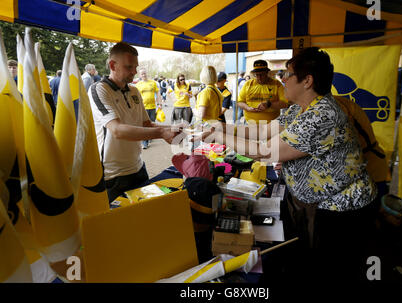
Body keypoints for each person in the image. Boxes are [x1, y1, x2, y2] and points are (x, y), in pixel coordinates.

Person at [196, 47, 378, 281]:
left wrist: (219, 137)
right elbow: (263, 130)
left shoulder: (322, 115)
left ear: (307, 81)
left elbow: (265, 151)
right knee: (310, 262)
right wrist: (221, 127)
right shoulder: (301, 109)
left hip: (343, 209)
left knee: (332, 269)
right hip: (320, 203)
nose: (282, 79)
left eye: (288, 74)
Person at [88, 42, 181, 203]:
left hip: (138, 168)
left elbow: (146, 124)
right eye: (129, 67)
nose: (134, 72)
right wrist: (161, 132)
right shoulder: (99, 89)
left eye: (136, 67)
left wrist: (172, 128)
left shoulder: (134, 90)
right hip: (113, 176)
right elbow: (116, 130)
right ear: (112, 65)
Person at [237, 60, 288, 124]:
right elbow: (239, 102)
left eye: (262, 75)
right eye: (257, 75)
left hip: (271, 125)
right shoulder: (248, 84)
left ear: (267, 73)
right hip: (250, 123)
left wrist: (269, 104)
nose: (259, 78)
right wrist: (247, 108)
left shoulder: (277, 84)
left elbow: (285, 103)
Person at [135, 69, 162, 149]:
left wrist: (159, 104)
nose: (143, 75)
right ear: (140, 75)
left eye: (144, 73)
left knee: (152, 123)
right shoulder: (138, 85)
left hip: (153, 107)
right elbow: (136, 97)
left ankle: (149, 136)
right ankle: (145, 142)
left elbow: (158, 93)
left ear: (147, 73)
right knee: (144, 125)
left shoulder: (153, 83)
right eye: (142, 74)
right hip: (143, 108)